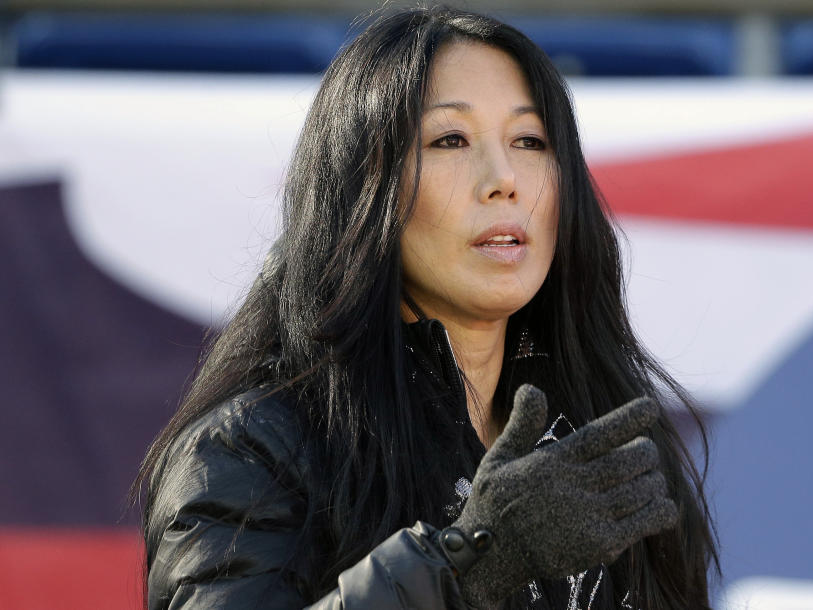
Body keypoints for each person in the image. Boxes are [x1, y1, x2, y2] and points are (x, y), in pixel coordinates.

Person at [134, 6, 719, 610]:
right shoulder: (252, 451)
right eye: (450, 140)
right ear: (364, 190)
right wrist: (465, 564)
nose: (504, 179)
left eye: (529, 140)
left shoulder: (604, 433)